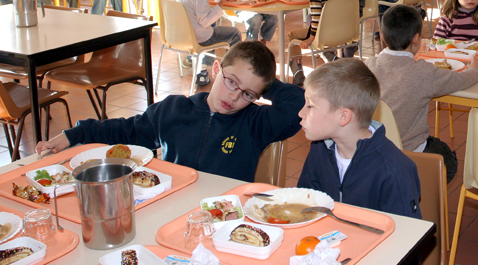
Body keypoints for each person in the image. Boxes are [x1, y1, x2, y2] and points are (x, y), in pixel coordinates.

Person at [37, 41, 305, 183]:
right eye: (230, 81)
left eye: (247, 94)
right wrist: (75, 134)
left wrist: (261, 85)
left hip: (224, 213)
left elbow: (298, 103)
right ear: (215, 70)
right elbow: (126, 130)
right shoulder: (173, 109)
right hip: (172, 200)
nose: (234, 96)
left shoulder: (255, 122)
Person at [366, 5, 478, 181]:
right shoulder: (423, 72)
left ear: (382, 37)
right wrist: (476, 70)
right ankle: (425, 191)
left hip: (372, 148)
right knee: (448, 160)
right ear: (416, 39)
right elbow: (461, 80)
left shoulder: (368, 66)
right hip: (410, 151)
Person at [297, 59, 422, 218]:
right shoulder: (320, 149)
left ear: (343, 116)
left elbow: (408, 235)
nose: (301, 113)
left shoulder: (393, 170)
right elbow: (306, 206)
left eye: (310, 105)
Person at [173, 0, 243, 86]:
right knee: (234, 33)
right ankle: (231, 74)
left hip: (179, 35)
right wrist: (221, 5)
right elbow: (204, 22)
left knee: (213, 27)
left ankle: (203, 70)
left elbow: (174, 4)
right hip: (197, 37)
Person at [287, 0, 347, 86]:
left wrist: (311, 38)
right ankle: (331, 58)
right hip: (342, 32)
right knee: (316, 34)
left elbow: (316, 18)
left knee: (292, 35)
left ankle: (297, 72)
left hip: (323, 34)